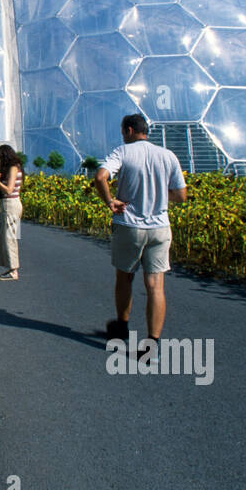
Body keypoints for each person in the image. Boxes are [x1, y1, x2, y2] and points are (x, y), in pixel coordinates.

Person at [94, 113, 187, 353]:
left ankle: (122, 326)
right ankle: (152, 344)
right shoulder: (168, 155)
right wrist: (156, 195)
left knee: (125, 277)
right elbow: (181, 195)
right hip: (160, 227)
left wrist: (110, 201)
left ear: (129, 130)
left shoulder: (123, 152)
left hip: (130, 226)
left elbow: (100, 177)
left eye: (123, 131)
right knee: (156, 285)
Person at [0, 144, 23, 280]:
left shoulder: (13, 168)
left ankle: (13, 270)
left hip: (11, 205)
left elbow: (8, 190)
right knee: (3, 238)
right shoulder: (13, 167)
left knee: (10, 238)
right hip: (11, 204)